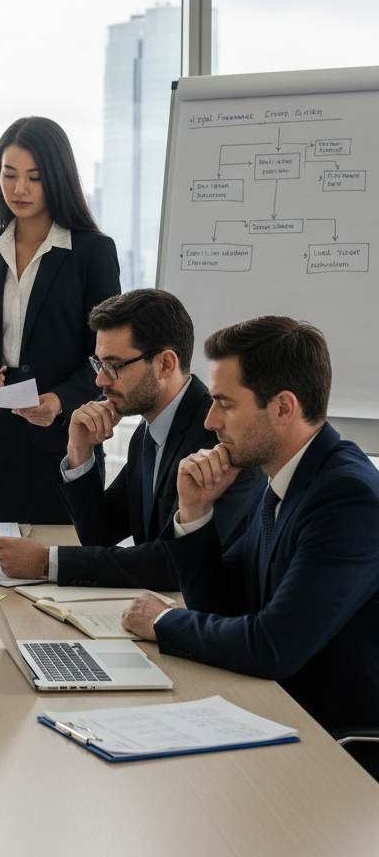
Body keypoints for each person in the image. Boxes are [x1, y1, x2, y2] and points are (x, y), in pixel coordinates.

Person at [121, 317, 379, 775]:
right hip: (275, 712)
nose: (209, 420)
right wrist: (195, 513)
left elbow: (272, 645)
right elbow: (226, 605)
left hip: (337, 746)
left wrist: (165, 622)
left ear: (283, 408)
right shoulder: (280, 475)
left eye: (224, 404)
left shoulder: (347, 497)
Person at [0, 289, 261, 589]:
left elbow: (173, 562)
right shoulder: (146, 434)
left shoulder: (219, 437)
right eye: (99, 364)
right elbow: (101, 534)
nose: (100, 380)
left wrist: (45, 562)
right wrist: (80, 451)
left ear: (165, 364)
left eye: (114, 366)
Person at [0, 116, 120, 523]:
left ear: (57, 178)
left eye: (33, 177)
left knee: (63, 561)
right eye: (9, 175)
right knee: (0, 561)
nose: (19, 189)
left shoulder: (92, 251)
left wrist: (61, 401)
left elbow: (109, 357)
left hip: (66, 439)